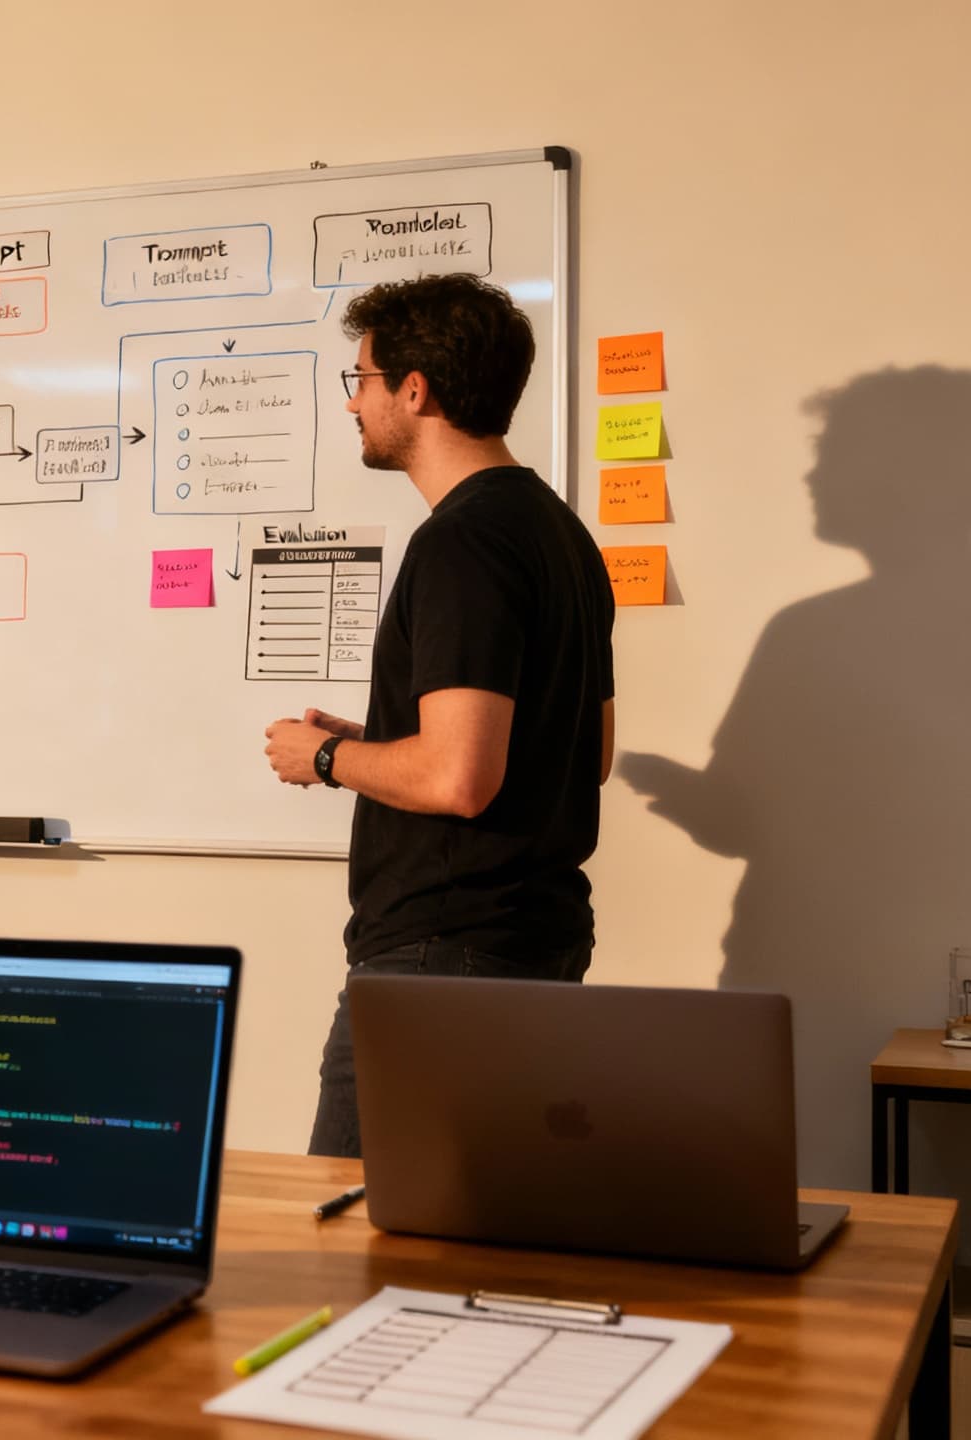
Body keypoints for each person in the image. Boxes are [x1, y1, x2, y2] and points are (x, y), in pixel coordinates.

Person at [261, 273, 615, 1158]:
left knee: (351, 1245)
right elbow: (588, 751)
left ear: (414, 391)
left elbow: (460, 777)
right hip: (531, 948)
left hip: (441, 963)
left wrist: (326, 760)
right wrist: (376, 745)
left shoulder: (462, 541)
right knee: (471, 1247)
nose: (352, 401)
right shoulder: (560, 535)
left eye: (364, 377)